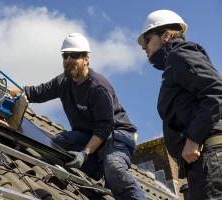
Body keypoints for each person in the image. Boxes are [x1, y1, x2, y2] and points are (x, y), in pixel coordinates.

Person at [11, 33, 146, 200]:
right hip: (89, 134)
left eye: (74, 55)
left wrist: (85, 153)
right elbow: (33, 93)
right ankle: (101, 170)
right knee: (57, 144)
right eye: (65, 56)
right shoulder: (63, 82)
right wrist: (0, 87)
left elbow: (105, 126)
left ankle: (122, 184)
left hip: (116, 134)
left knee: (114, 167)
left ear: (86, 59)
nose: (68, 60)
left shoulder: (98, 87)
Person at [138, 9, 222, 199]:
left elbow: (216, 91)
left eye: (147, 39)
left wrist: (193, 140)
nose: (144, 46)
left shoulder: (179, 54)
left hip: (209, 156)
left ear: (166, 35)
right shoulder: (173, 63)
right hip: (205, 161)